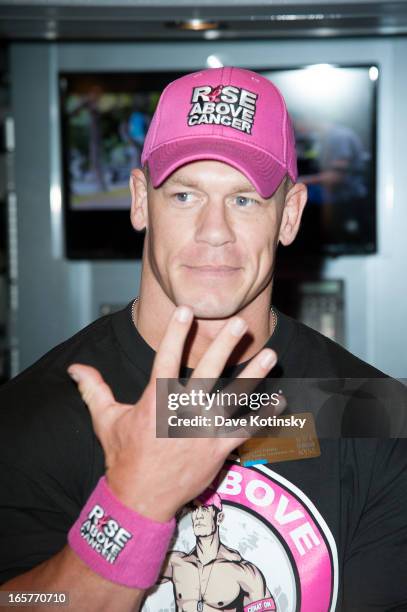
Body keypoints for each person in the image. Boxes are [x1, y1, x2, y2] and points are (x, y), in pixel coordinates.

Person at [0, 66, 406, 612]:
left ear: (289, 216)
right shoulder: (28, 417)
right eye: (186, 195)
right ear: (141, 200)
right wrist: (132, 506)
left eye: (244, 200)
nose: (214, 231)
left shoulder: (372, 414)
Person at [159, 491, 275, 611]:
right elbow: (139, 571)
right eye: (194, 509)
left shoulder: (244, 572)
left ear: (219, 518)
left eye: (204, 509)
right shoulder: (176, 563)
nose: (198, 515)